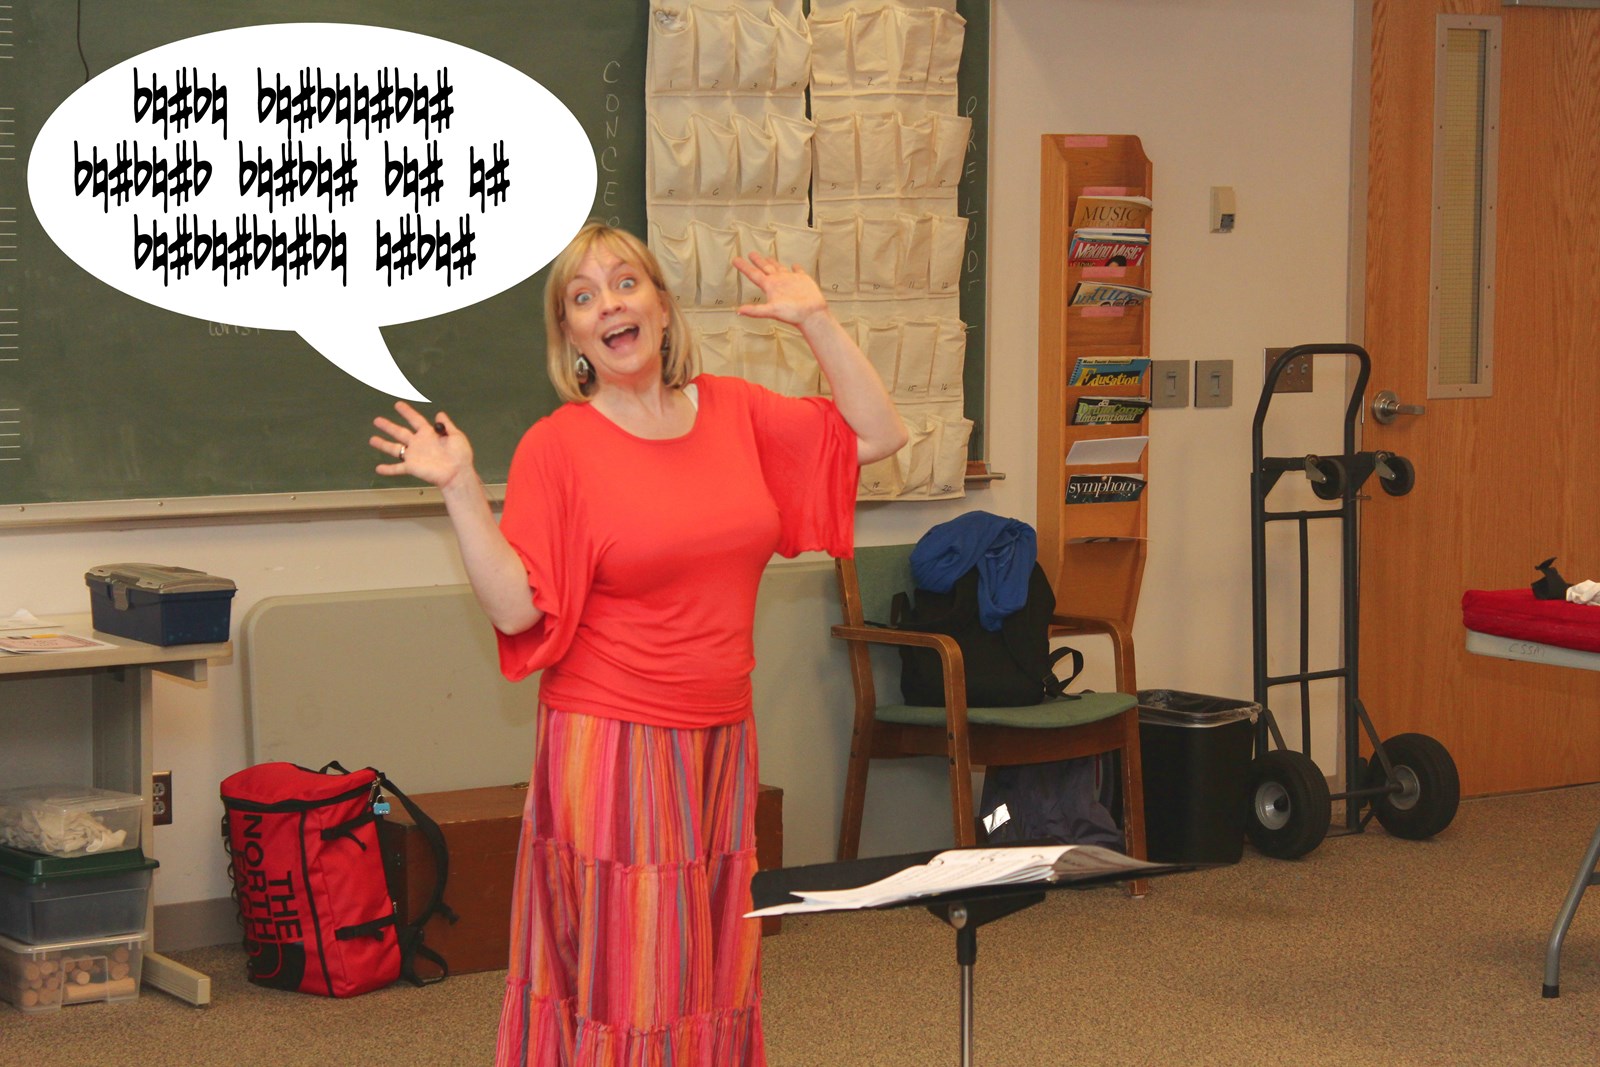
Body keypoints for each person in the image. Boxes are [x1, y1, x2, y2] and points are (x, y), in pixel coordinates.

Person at [370, 221, 905, 1066]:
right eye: (584, 298)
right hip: (615, 737)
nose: (610, 305)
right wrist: (462, 487)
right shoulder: (560, 446)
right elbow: (515, 611)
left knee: (716, 962)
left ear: (660, 303)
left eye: (626, 283)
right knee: (637, 969)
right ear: (571, 336)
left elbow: (877, 434)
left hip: (722, 733)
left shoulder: (734, 412)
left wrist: (815, 318)